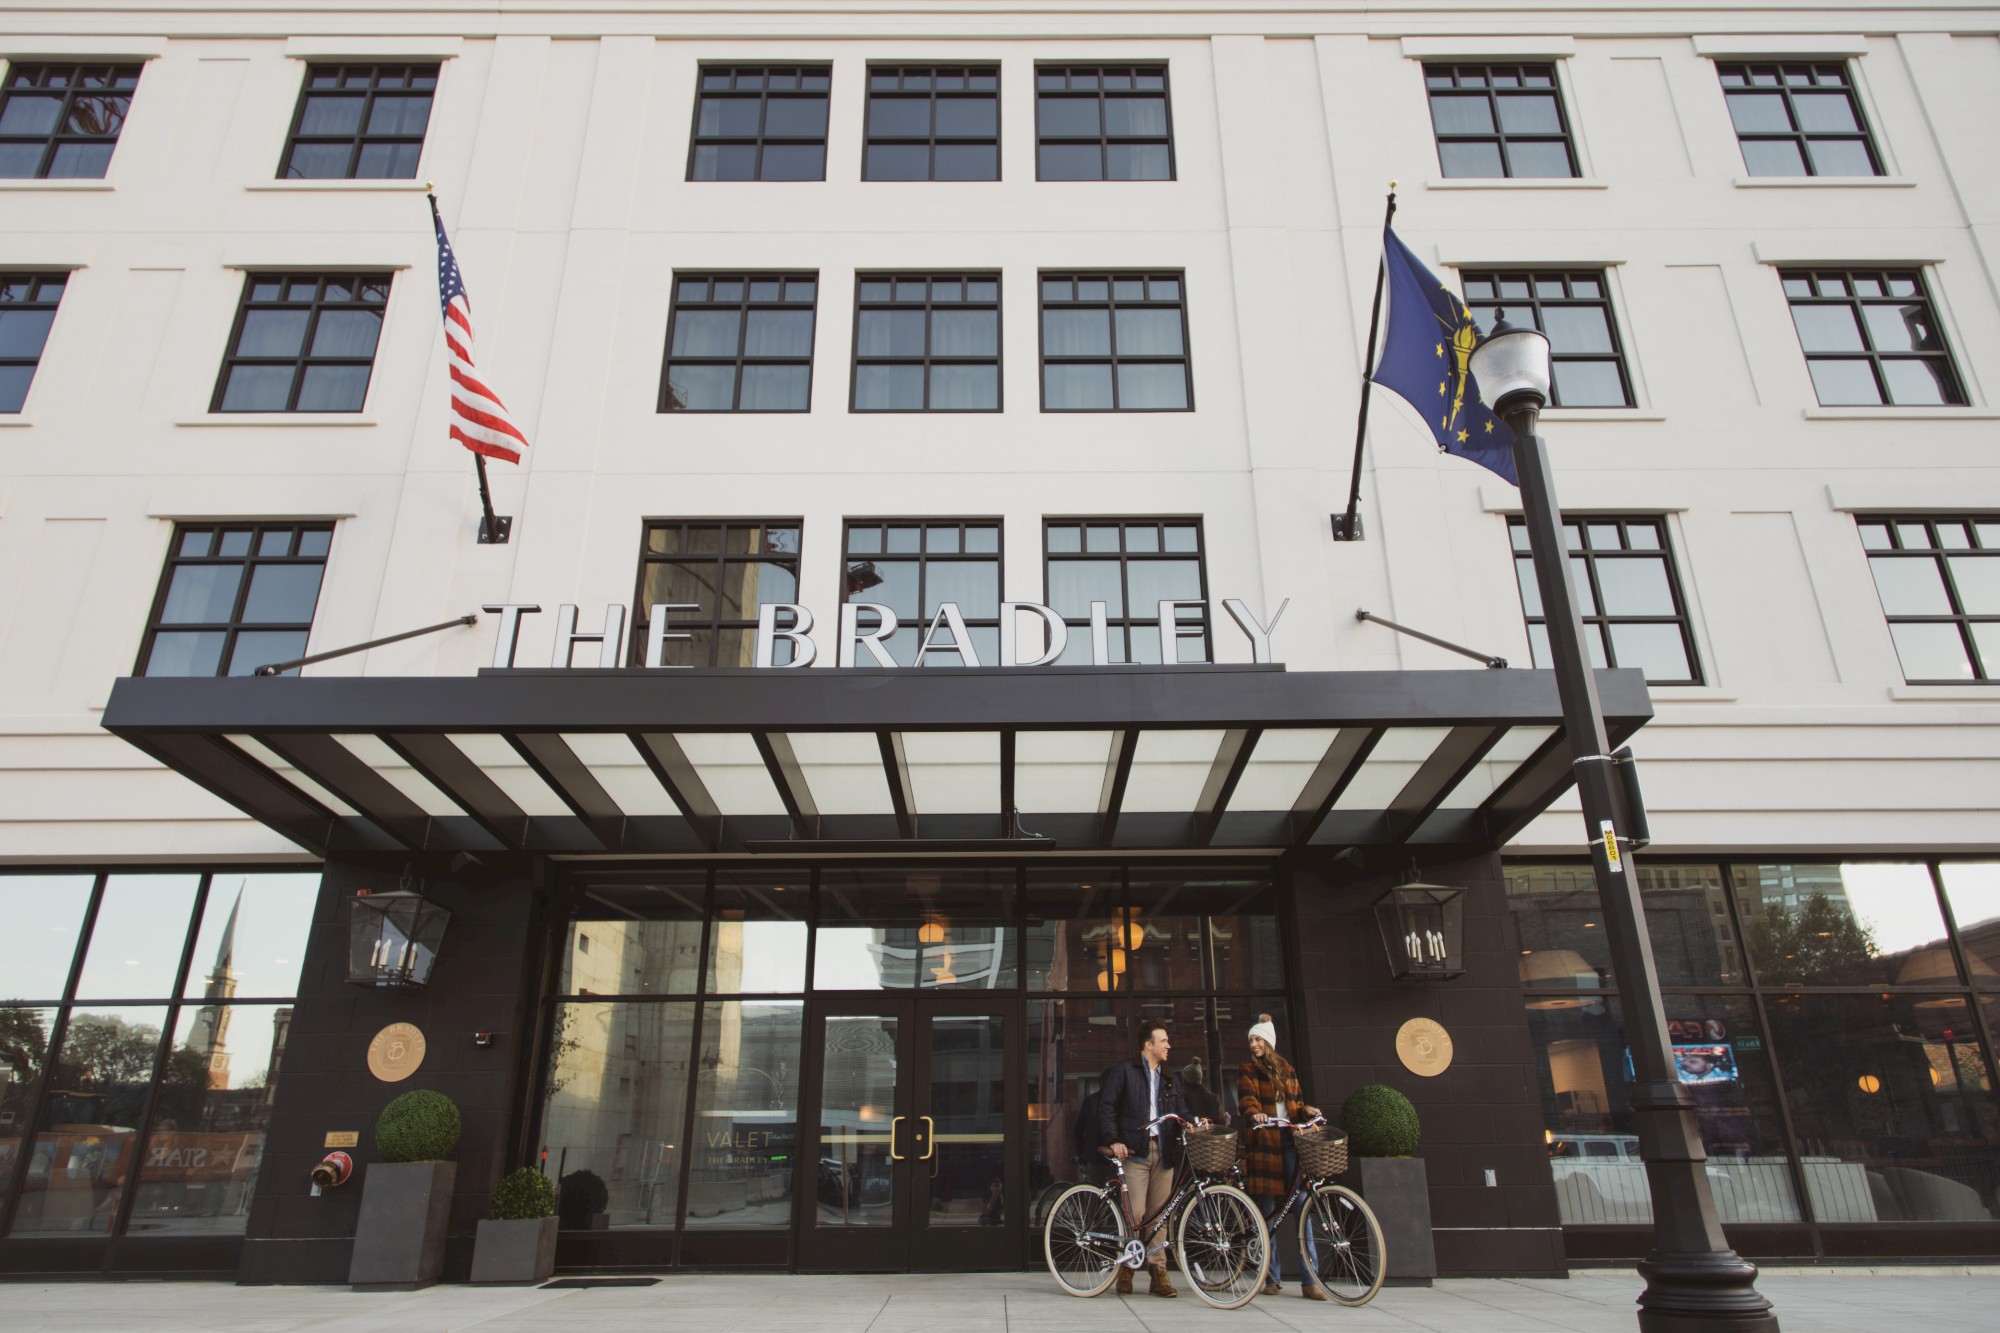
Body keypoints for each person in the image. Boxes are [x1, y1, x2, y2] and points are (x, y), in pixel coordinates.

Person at [1098, 1020, 1189, 1298]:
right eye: (1163, 1041)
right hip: (1135, 1151)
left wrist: (1194, 1123)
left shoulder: (1170, 1079)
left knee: (1159, 1216)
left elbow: (1182, 1110)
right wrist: (1114, 1140)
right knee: (1135, 1213)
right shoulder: (1125, 1071)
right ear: (1148, 1045)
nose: (1168, 1045)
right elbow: (1108, 1105)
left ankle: (1158, 1272)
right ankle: (1126, 1268)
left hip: (1164, 1152)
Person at [1238, 1013, 1326, 1300]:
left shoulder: (1287, 1070)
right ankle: (1271, 1277)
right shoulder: (1248, 1070)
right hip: (1264, 1144)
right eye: (1251, 1039)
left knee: (1302, 1207)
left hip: (1289, 1142)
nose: (1254, 1044)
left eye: (1258, 1039)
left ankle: (1310, 1279)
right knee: (1268, 1214)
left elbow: (1296, 1106)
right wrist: (1255, 1114)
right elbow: (1246, 1100)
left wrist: (1307, 1111)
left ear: (1269, 1041)